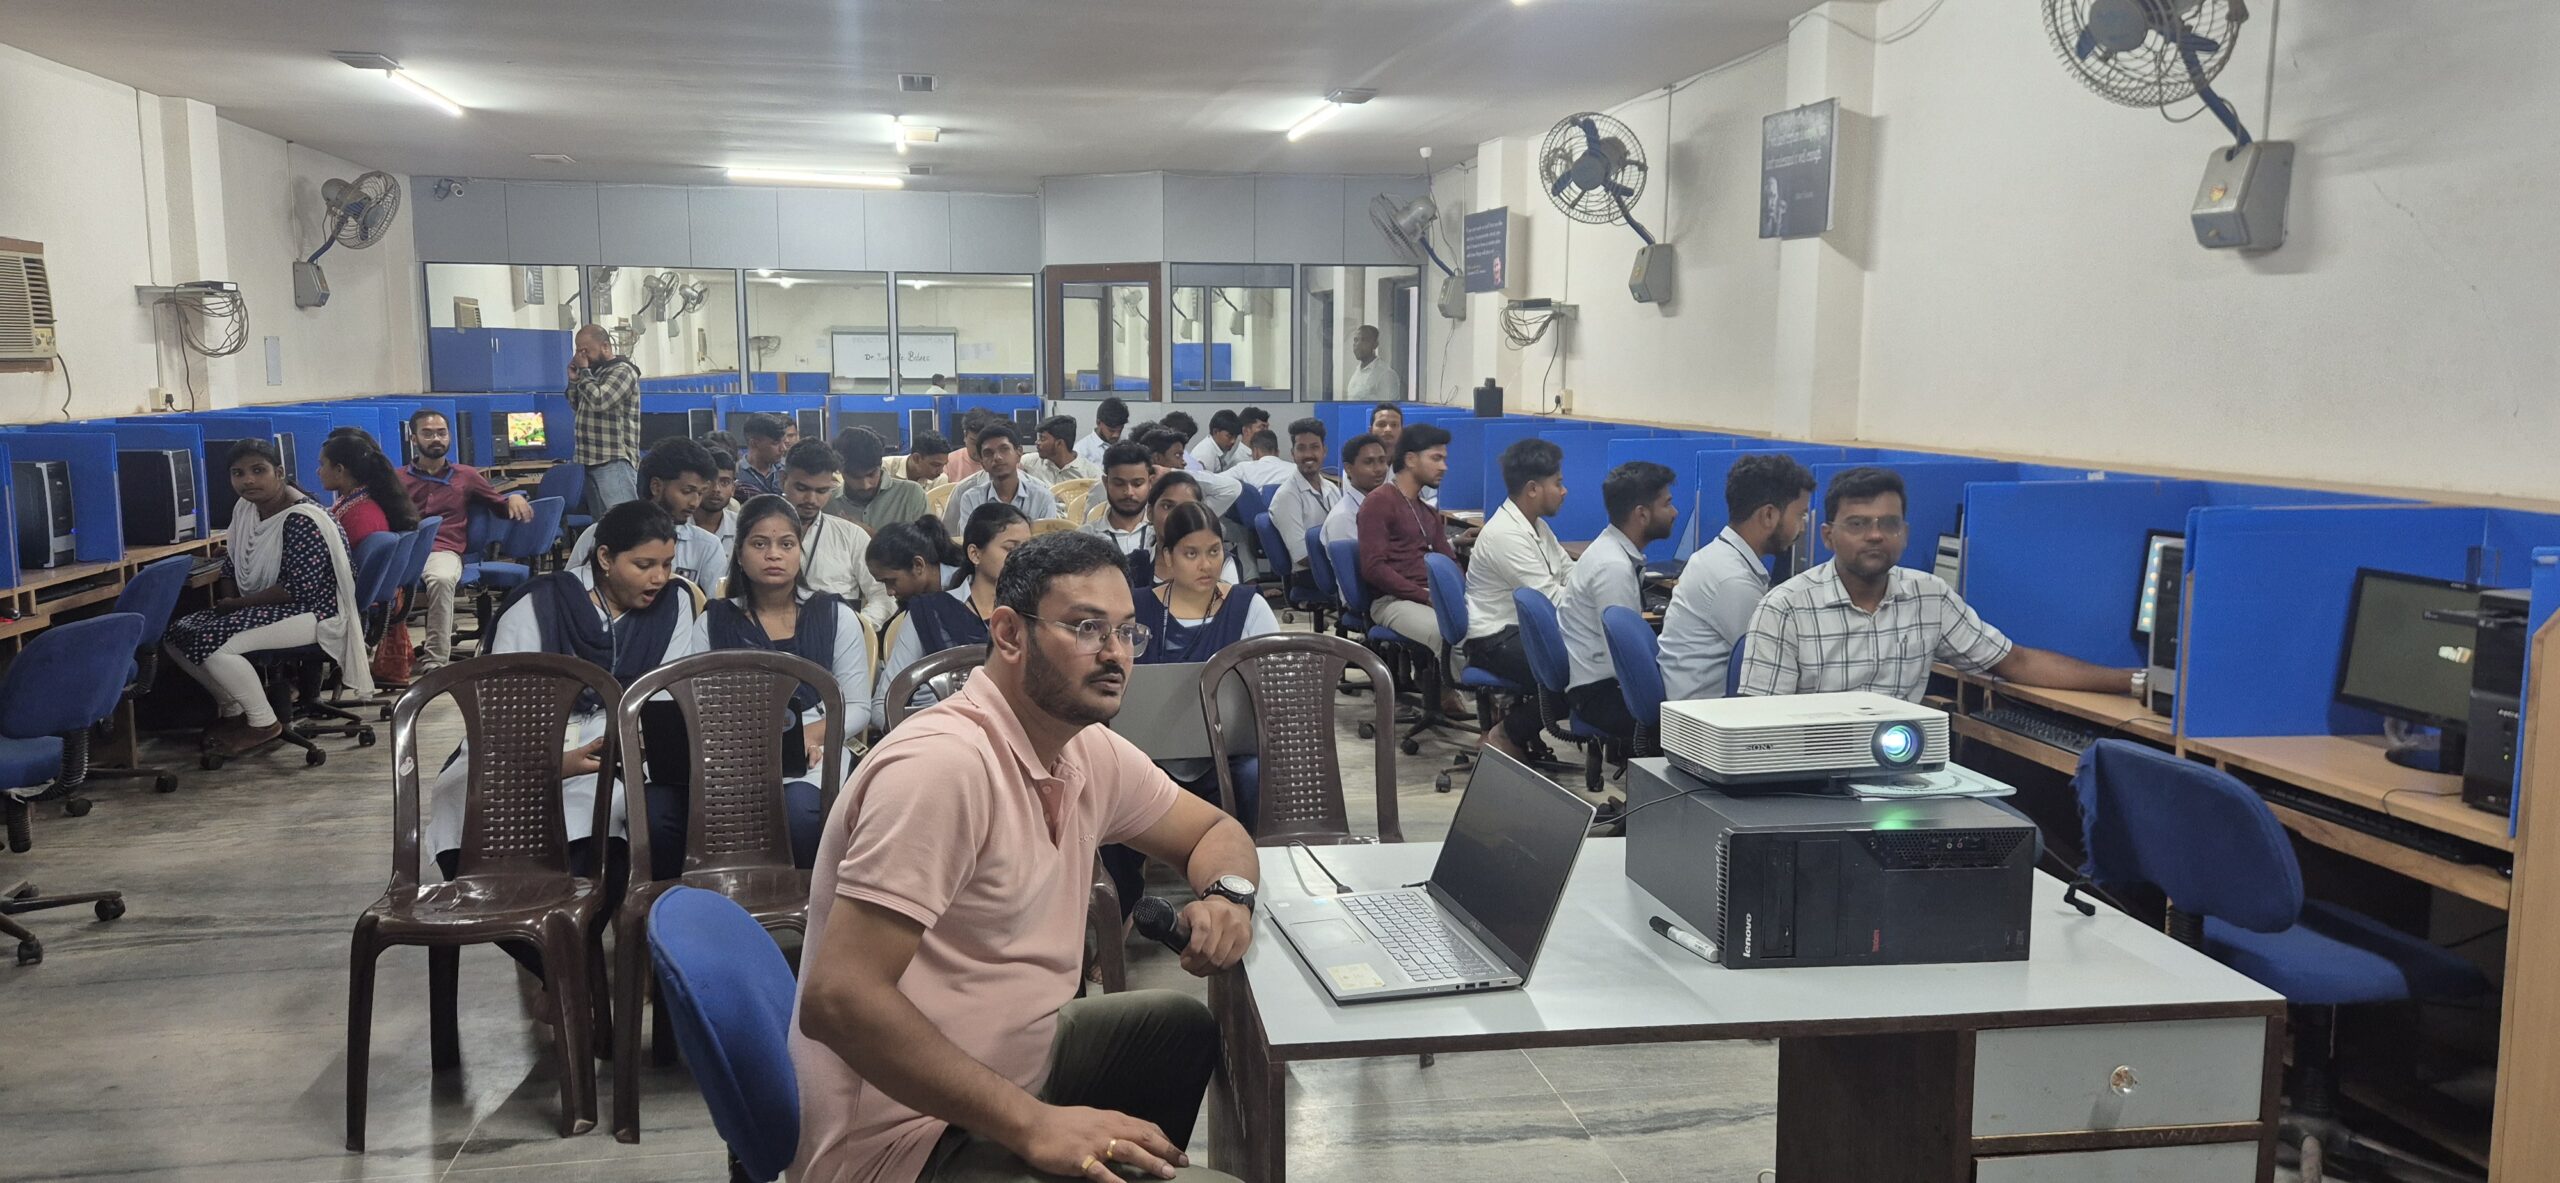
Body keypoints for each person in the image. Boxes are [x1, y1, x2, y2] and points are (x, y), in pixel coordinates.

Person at [791, 530, 1256, 1183]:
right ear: (1010, 634)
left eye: (1126, 631)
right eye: (1087, 628)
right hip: (911, 1136)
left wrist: (1229, 895)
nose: (1115, 653)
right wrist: (1034, 1124)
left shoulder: (1081, 746)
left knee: (1174, 1026)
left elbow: (1212, 830)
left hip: (1011, 1067)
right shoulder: (941, 768)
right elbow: (840, 999)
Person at [424, 501, 707, 936]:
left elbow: (662, 698)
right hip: (530, 740)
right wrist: (558, 763)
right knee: (463, 795)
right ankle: (543, 945)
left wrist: (630, 747)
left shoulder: (674, 605)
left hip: (617, 742)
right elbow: (501, 711)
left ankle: (572, 946)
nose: (659, 578)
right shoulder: (540, 604)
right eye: (644, 565)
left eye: (667, 564)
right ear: (605, 557)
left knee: (613, 810)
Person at [1738, 466, 2139, 702]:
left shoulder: (1929, 596)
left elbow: (2015, 662)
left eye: (1888, 524)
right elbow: (1755, 725)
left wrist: (2135, 682)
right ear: (1827, 536)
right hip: (1811, 779)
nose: (1875, 535)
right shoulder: (1785, 608)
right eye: (1857, 524)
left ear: (1905, 534)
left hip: (1899, 776)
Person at [1100, 500, 1277, 912]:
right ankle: (1122, 909)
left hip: (1226, 755)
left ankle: (1236, 895)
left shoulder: (1248, 605)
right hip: (1146, 755)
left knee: (1253, 775)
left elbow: (1273, 682)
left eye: (1214, 551)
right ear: (1167, 557)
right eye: (1191, 553)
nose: (1205, 564)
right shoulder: (1137, 606)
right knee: (1112, 782)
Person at [696, 493, 875, 873]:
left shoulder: (835, 615)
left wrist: (807, 736)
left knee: (799, 811)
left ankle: (809, 900)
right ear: (739, 553)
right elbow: (697, 706)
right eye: (760, 544)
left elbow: (858, 707)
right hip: (734, 746)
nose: (774, 554)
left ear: (800, 552)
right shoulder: (712, 620)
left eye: (786, 544)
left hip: (817, 742)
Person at [166, 440, 372, 758]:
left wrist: (236, 606)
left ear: (279, 473)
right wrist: (228, 604)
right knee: (176, 635)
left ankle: (263, 722)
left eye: (258, 471)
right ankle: (234, 709)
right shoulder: (247, 510)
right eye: (238, 473)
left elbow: (298, 589)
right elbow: (232, 563)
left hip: (317, 611)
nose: (248, 480)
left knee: (215, 645)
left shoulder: (303, 519)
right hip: (272, 606)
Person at [1659, 454, 1816, 701]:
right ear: (1768, 515)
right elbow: (1776, 659)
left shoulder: (1718, 557)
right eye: (1800, 515)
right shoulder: (1733, 581)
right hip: (1707, 713)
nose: (1803, 527)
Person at [401, 409, 533, 675]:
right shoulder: (398, 479)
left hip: (442, 550)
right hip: (406, 550)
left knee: (441, 579)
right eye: (428, 433)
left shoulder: (466, 476)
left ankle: (435, 662)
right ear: (414, 439)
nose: (436, 439)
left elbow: (499, 505)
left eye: (441, 433)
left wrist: (516, 496)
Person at [1463, 438, 1572, 761]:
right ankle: (1506, 733)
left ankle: (1513, 730)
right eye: (1558, 483)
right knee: (1577, 677)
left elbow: (1569, 572)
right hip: (1493, 638)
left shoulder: (1537, 527)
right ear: (1533, 489)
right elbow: (1550, 600)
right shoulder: (1506, 534)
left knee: (1590, 668)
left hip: (1521, 631)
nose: (1564, 491)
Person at [874, 503, 1032, 724]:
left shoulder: (1035, 613)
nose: (1022, 559)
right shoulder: (930, 612)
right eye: (1010, 549)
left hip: (1016, 730)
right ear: (975, 554)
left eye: (1027, 550)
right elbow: (884, 703)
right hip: (940, 730)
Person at [1355, 423, 1470, 716]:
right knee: (1448, 632)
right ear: (1410, 459)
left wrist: (1463, 593)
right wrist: (1425, 595)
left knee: (1487, 624)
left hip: (1428, 597)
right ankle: (1486, 708)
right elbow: (1374, 569)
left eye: (1444, 459)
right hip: (1392, 601)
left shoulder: (1427, 511)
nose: (1444, 467)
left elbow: (1450, 561)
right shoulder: (1379, 503)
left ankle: (1474, 697)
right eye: (1436, 458)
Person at [1558, 461, 1680, 736]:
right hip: (1598, 693)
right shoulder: (1613, 568)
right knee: (1686, 727)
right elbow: (1626, 659)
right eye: (1667, 504)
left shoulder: (1611, 550)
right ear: (1642, 514)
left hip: (1597, 682)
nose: (1674, 513)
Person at [566, 437, 729, 593]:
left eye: (700, 493)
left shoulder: (707, 546)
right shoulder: (598, 534)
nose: (695, 502)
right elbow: (567, 593)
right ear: (656, 487)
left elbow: (719, 606)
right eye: (687, 491)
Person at [779, 440, 897, 631]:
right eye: (802, 488)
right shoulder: (758, 533)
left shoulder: (852, 536)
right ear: (783, 479)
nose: (811, 499)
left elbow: (883, 596)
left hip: (837, 635)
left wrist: (855, 627)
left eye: (822, 491)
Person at [566, 323, 643, 515]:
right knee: (602, 525)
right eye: (578, 351)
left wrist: (584, 372)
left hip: (613, 460)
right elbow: (577, 405)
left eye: (586, 351)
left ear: (605, 347)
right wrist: (574, 381)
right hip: (589, 460)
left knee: (623, 520)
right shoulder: (595, 373)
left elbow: (600, 401)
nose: (582, 356)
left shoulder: (623, 371)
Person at [1127, 471, 1243, 588]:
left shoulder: (1221, 564)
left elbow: (1233, 488)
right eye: (1167, 506)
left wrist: (1170, 470)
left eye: (1188, 507)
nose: (1177, 515)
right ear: (1150, 512)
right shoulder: (1132, 566)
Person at [319, 433, 420, 551]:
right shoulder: (359, 503)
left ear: (339, 470)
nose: (318, 471)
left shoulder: (358, 517)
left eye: (322, 465)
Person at [1266, 418, 1337, 573]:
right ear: (1293, 453)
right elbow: (1302, 556)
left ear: (1324, 451)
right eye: (1301, 448)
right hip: (1311, 575)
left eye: (1314, 447)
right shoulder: (1287, 496)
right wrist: (1343, 559)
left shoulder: (1332, 489)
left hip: (1334, 566)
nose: (1308, 454)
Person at [950, 423, 1061, 521]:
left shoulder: (1041, 496)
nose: (997, 457)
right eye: (988, 453)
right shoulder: (971, 498)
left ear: (1019, 453)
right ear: (982, 462)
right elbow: (970, 538)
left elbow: (1048, 538)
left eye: (1004, 449)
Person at [828, 427, 929, 532]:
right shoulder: (827, 504)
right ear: (840, 471)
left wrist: (869, 535)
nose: (865, 485)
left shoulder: (911, 494)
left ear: (880, 465)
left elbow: (928, 542)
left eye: (871, 474)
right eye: (855, 477)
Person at [1139, 428, 1242, 517]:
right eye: (1178, 455)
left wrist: (1171, 472)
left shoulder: (1188, 502)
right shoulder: (1137, 500)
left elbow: (1233, 488)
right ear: (1157, 458)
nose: (1184, 462)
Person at [867, 515, 964, 608]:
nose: (889, 592)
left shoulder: (966, 590)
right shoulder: (913, 602)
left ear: (918, 565)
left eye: (892, 581)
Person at [1080, 442, 1156, 559]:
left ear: (1150, 483)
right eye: (1119, 484)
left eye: (1137, 484)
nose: (1129, 492)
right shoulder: (1086, 538)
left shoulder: (1161, 533)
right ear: (1106, 483)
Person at [1319, 431, 1388, 549]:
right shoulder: (1344, 518)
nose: (1378, 469)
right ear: (1349, 469)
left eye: (1382, 461)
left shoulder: (1383, 505)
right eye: (1368, 462)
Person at [695, 445, 741, 556]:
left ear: (733, 488)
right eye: (709, 481)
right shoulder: (676, 526)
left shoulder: (741, 528)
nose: (716, 489)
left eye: (724, 482)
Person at [1026, 416, 1099, 486]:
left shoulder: (1092, 475)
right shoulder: (1030, 462)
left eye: (1042, 439)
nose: (1037, 442)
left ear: (1059, 443)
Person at [735, 413, 793, 498]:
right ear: (754, 443)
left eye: (784, 442)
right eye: (775, 443)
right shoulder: (736, 474)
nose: (783, 448)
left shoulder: (787, 471)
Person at [1346, 325, 1402, 404]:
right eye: (1356, 340)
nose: (1358, 344)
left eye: (1364, 340)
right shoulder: (1357, 371)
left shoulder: (1386, 374)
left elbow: (1387, 409)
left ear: (1375, 344)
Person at [1226, 429, 1294, 491]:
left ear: (1255, 451)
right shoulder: (1295, 469)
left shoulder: (1244, 468)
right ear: (1277, 452)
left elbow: (1220, 481)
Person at [888, 431, 955, 491]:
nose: (941, 471)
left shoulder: (940, 479)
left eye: (944, 465)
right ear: (916, 458)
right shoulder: (886, 468)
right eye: (936, 465)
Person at [1074, 397, 1128, 469]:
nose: (1116, 435)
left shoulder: (1126, 445)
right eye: (1111, 430)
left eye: (1120, 430)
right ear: (1098, 423)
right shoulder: (1081, 451)